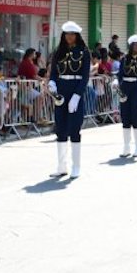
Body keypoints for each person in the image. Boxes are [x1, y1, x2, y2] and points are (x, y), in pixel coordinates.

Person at [47, 21, 91, 179]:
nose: (69, 37)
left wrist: (77, 96)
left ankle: (76, 166)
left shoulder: (84, 52)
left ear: (77, 36)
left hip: (75, 91)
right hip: (61, 91)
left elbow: (85, 77)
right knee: (60, 129)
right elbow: (53, 72)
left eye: (72, 34)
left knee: (74, 129)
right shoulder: (58, 52)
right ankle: (61, 166)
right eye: (67, 34)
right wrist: (52, 82)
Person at [114, 34, 137, 157]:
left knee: (135, 117)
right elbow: (120, 74)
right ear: (131, 45)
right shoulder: (124, 59)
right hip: (125, 88)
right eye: (136, 44)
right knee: (125, 117)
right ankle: (126, 147)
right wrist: (116, 81)